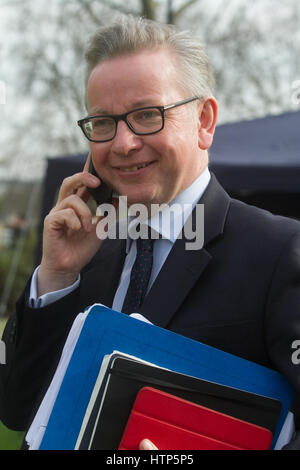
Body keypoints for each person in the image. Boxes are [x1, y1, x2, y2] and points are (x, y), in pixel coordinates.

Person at [0, 15, 300, 450]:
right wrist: (56, 277)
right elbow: (15, 409)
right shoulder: (83, 249)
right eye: (103, 123)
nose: (122, 143)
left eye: (147, 115)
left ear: (204, 121)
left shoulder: (279, 252)